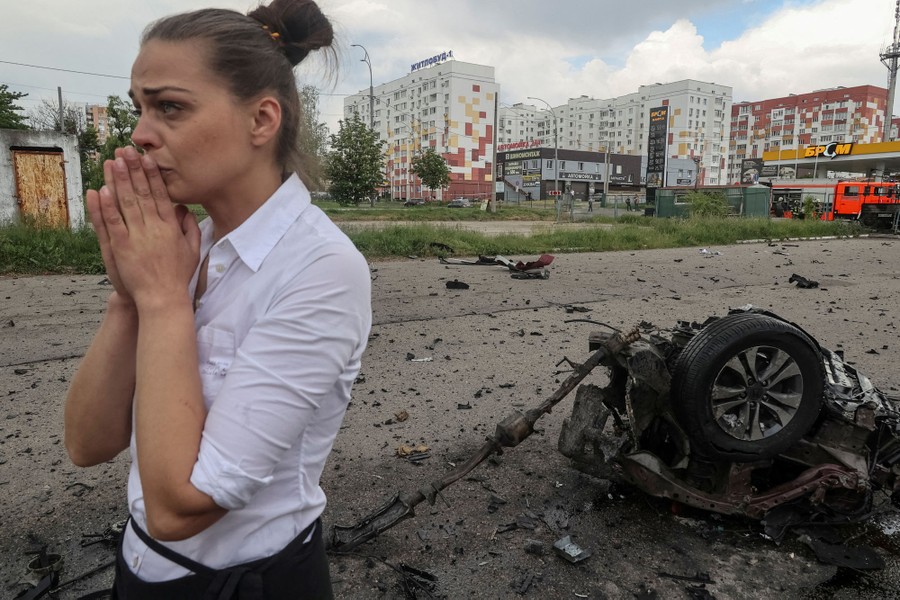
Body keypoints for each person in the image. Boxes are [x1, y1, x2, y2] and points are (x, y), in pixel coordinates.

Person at [63, 1, 371, 597]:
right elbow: (87, 443)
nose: (140, 133)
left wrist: (161, 301)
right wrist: (128, 298)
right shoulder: (185, 248)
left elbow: (182, 509)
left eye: (169, 107)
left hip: (248, 583)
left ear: (261, 120)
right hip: (140, 566)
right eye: (139, 107)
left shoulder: (321, 268)